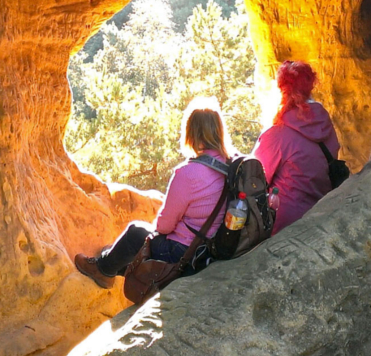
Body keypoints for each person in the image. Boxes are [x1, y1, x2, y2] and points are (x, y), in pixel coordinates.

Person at [74, 97, 231, 288]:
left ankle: (103, 270)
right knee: (134, 245)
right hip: (208, 252)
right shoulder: (229, 166)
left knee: (136, 233)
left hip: (182, 252)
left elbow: (164, 226)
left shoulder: (189, 173)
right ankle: (111, 259)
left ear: (191, 133)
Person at [252, 60, 340, 235]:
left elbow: (255, 179)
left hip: (283, 226)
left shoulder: (277, 134)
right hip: (321, 215)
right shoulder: (324, 124)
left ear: (281, 90)